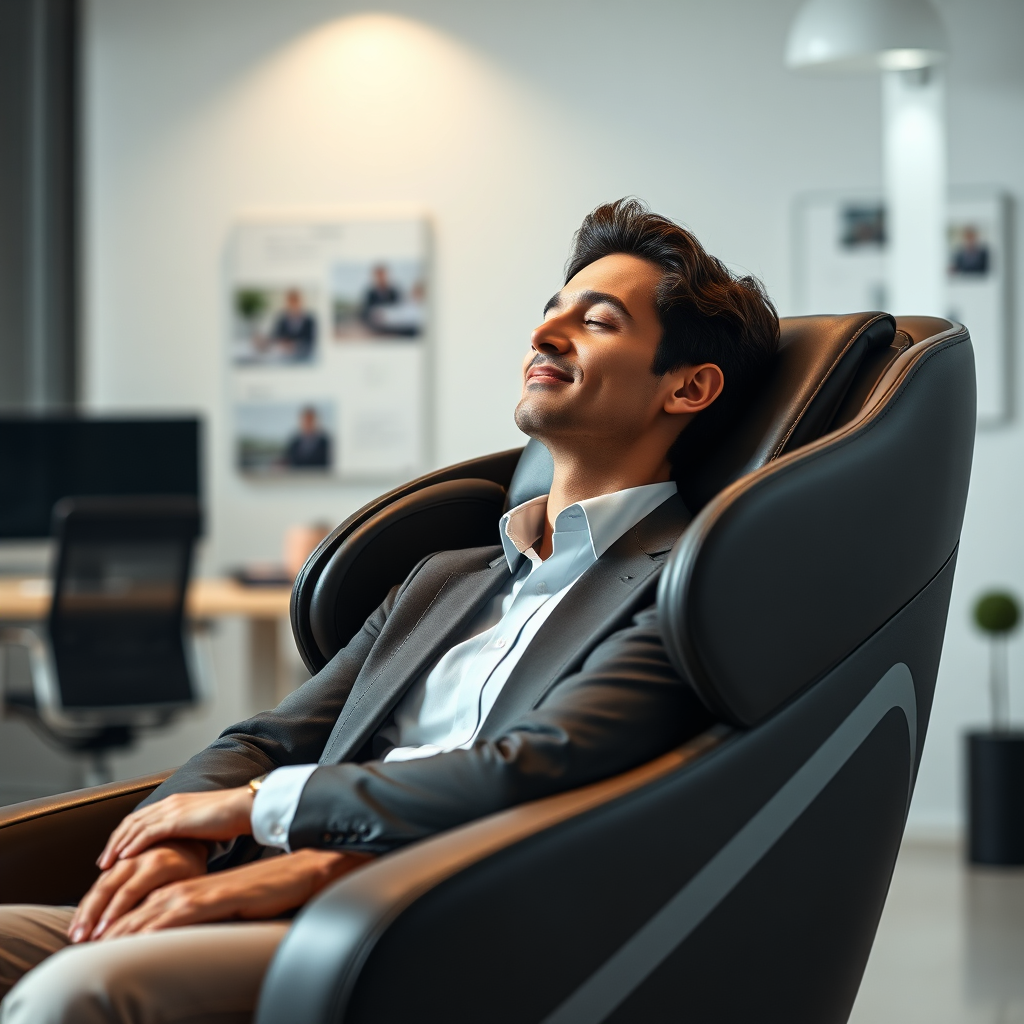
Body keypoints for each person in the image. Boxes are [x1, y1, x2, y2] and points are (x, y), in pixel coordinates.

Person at [0, 198, 779, 1023]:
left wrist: (265, 816)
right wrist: (174, 842)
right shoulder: (441, 579)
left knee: (74, 995)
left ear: (688, 386)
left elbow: (531, 769)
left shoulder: (684, 584)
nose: (545, 334)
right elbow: (265, 740)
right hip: (254, 883)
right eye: (550, 312)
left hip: (412, 931)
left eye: (596, 321)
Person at [269, 289, 316, 361]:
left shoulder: (309, 320)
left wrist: (295, 345)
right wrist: (282, 342)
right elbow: (275, 336)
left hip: (303, 357)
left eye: (295, 301)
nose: (293, 305)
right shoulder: (281, 319)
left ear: (300, 302)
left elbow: (310, 340)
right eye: (290, 302)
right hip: (283, 356)